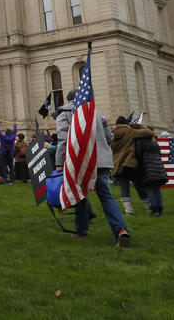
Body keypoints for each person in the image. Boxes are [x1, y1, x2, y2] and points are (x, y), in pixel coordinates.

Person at [55, 92, 130, 247]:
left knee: (79, 196)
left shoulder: (64, 114)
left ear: (69, 100)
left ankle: (82, 231)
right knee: (106, 197)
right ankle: (120, 229)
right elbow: (110, 138)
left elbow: (63, 139)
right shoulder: (96, 112)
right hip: (100, 160)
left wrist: (59, 162)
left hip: (79, 162)